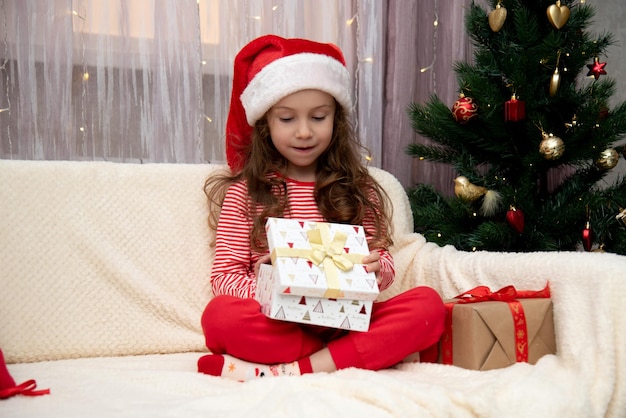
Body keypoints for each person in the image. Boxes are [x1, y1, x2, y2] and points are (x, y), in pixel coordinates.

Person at [198, 34, 445, 381]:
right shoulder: (246, 193)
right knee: (219, 317)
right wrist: (271, 282)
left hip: (347, 323)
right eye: (287, 119)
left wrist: (378, 268)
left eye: (318, 117)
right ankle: (345, 359)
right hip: (280, 323)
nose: (303, 132)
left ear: (336, 120)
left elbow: (381, 259)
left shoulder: (359, 188)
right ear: (266, 124)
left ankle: (289, 371)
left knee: (428, 308)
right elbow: (224, 278)